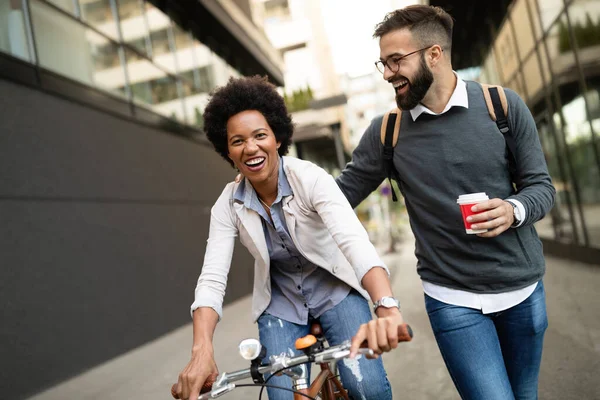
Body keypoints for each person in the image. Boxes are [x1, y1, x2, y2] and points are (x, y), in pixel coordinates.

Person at [335, 5, 555, 400]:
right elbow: (337, 196)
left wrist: (513, 209)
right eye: (383, 63)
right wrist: (277, 182)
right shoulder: (388, 132)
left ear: (434, 54)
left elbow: (541, 187)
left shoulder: (501, 106)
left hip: (523, 289)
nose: (387, 74)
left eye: (396, 61)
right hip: (452, 298)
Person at [173, 76, 405, 400]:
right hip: (280, 304)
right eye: (237, 141)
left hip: (335, 290)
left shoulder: (310, 179)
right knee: (281, 396)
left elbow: (355, 243)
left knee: (368, 388)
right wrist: (201, 351)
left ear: (278, 137)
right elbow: (212, 280)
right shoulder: (227, 205)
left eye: (259, 135)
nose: (250, 147)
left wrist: (387, 307)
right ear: (227, 150)